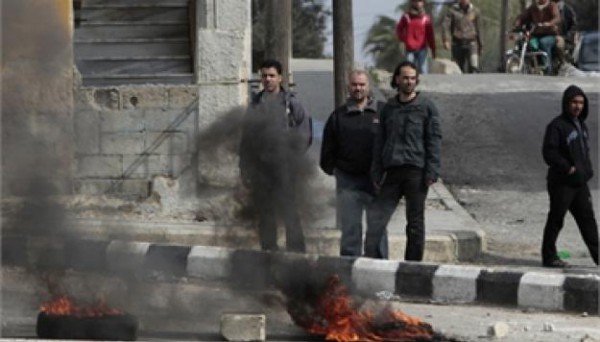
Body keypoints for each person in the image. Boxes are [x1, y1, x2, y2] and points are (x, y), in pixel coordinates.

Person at [365, 61, 441, 261]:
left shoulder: (426, 107)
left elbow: (434, 140)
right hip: (392, 172)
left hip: (416, 173)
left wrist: (432, 171)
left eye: (412, 78)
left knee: (415, 224)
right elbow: (379, 142)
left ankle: (412, 268)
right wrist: (376, 172)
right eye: (405, 78)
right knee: (376, 220)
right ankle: (373, 264)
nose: (408, 82)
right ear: (397, 79)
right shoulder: (389, 108)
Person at [239, 59, 312, 253]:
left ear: (280, 77)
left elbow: (304, 135)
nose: (268, 79)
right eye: (264, 76)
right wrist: (245, 168)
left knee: (290, 213)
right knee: (265, 214)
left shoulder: (292, 104)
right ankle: (269, 253)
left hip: (285, 169)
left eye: (272, 75)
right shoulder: (255, 104)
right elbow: (246, 139)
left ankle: (297, 255)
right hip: (261, 170)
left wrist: (290, 159)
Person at [320, 70, 388, 258]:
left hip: (377, 183)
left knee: (378, 230)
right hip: (348, 183)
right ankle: (349, 274)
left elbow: (393, 143)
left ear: (369, 87)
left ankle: (379, 270)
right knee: (350, 231)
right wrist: (337, 171)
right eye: (354, 85)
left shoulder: (383, 112)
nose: (358, 88)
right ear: (348, 87)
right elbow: (327, 151)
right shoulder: (338, 116)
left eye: (362, 84)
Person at [541, 85, 599, 268]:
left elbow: (584, 152)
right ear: (567, 103)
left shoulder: (581, 125)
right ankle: (549, 257)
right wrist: (567, 168)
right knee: (557, 219)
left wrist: (586, 170)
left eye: (581, 102)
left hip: (579, 183)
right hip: (562, 183)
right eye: (574, 102)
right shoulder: (557, 126)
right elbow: (549, 152)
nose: (578, 106)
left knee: (588, 220)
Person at [513, 0, 560, 74]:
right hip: (536, 35)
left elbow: (557, 18)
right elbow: (523, 17)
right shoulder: (533, 7)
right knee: (529, 43)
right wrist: (517, 23)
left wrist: (549, 24)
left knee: (544, 42)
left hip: (550, 34)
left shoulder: (552, 5)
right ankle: (531, 65)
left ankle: (547, 67)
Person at [396, 0, 436, 74]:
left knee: (423, 69)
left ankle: (425, 85)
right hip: (410, 49)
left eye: (420, 1)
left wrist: (433, 49)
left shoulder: (426, 18)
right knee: (409, 70)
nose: (418, 3)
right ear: (412, 2)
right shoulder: (406, 17)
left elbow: (430, 35)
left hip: (422, 49)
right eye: (415, 1)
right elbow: (399, 29)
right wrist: (405, 39)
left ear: (423, 3)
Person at [441, 0, 483, 73]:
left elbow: (479, 29)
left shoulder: (475, 11)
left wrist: (481, 44)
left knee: (474, 67)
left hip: (471, 43)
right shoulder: (452, 11)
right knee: (457, 70)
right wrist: (446, 39)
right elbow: (445, 26)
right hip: (457, 43)